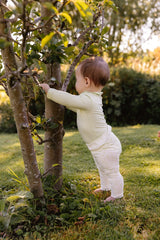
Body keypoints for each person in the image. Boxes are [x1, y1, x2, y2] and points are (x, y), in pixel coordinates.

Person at [40, 57, 124, 202]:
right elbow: (73, 105)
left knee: (111, 171)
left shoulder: (88, 99)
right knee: (102, 168)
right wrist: (60, 102)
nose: (76, 83)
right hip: (101, 145)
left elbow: (69, 100)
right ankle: (105, 187)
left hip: (106, 145)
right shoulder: (89, 99)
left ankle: (117, 195)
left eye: (77, 80)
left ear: (86, 81)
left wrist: (50, 92)